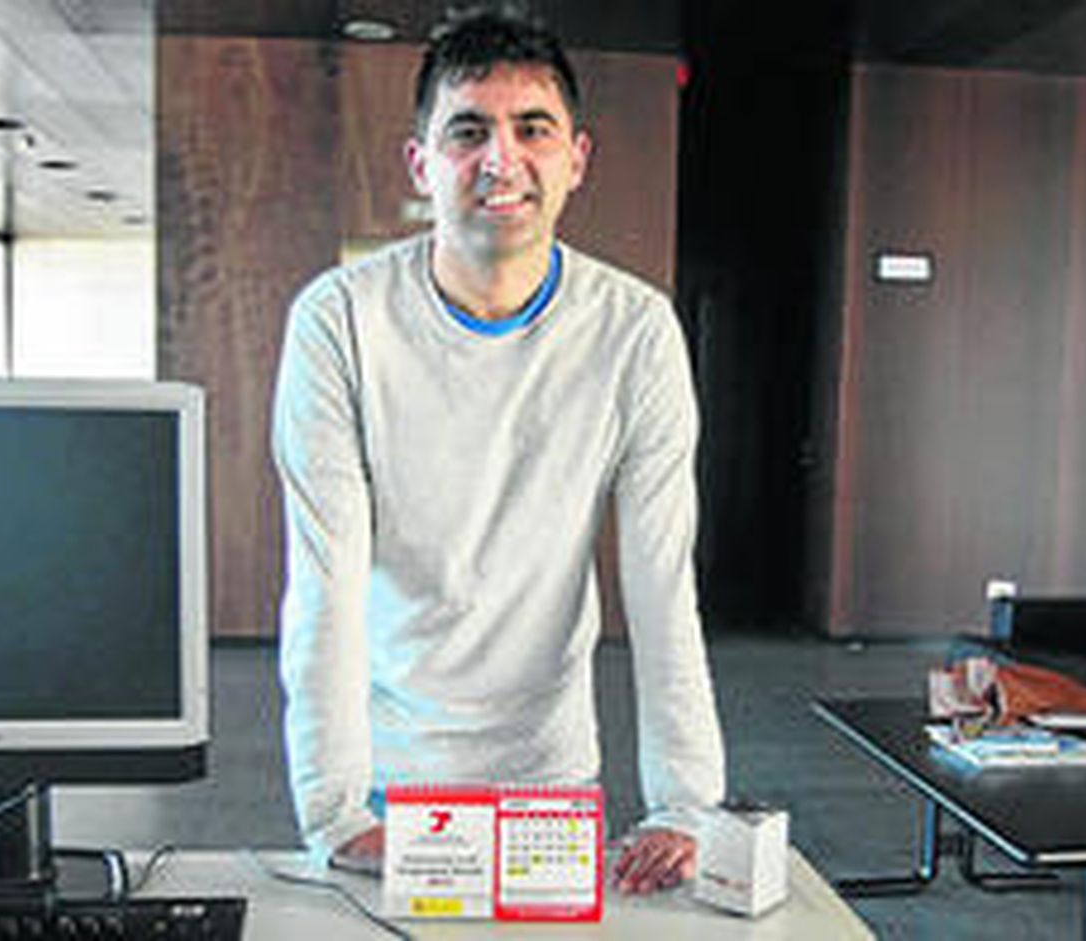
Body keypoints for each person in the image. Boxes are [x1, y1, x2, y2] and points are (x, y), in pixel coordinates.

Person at [271, 3, 724, 895]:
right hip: (387, 775)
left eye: (532, 129)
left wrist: (685, 803)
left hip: (549, 771)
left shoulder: (635, 331)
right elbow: (323, 582)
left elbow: (663, 581)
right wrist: (333, 811)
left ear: (576, 158)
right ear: (421, 162)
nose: (500, 159)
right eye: (468, 131)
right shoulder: (340, 320)